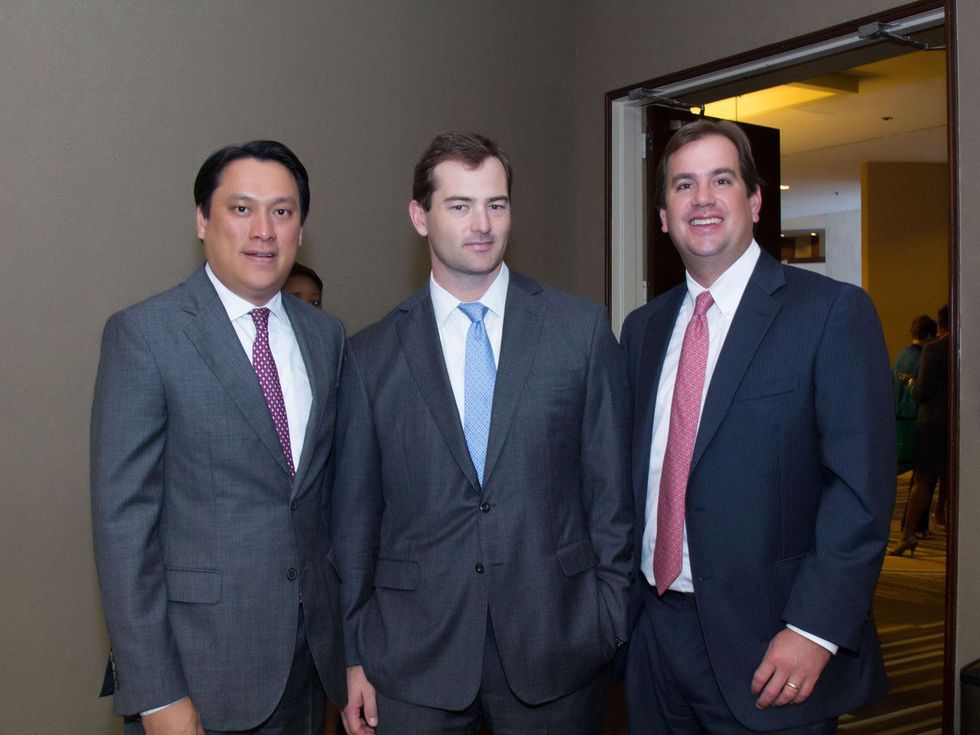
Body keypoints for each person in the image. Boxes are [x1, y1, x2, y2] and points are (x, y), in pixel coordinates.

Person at [333, 132, 632, 735]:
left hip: (559, 646)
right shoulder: (369, 356)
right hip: (413, 659)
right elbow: (355, 520)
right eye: (460, 205)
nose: (482, 224)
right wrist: (354, 653)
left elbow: (611, 493)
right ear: (420, 216)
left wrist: (609, 615)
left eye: (496, 204)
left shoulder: (580, 332)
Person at [620, 120, 894, 733]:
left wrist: (814, 629)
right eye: (684, 185)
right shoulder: (641, 330)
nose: (703, 199)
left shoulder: (831, 314)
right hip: (655, 639)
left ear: (755, 200)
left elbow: (862, 493)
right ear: (664, 215)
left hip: (770, 646)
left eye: (722, 179)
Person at [91, 140, 347, 734]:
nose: (263, 230)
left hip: (310, 671)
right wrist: (155, 696)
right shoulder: (145, 335)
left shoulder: (326, 337)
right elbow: (122, 529)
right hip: (198, 676)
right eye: (241, 209)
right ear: (202, 220)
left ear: (300, 230)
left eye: (282, 212)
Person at [891, 304, 950, 556]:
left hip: (927, 424)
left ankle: (908, 534)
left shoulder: (931, 350)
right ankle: (940, 519)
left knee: (922, 481)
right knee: (944, 481)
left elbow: (921, 393)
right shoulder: (959, 348)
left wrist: (911, 382)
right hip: (951, 425)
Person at [894, 314, 937, 473]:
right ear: (928, 335)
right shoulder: (923, 358)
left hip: (898, 417)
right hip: (915, 419)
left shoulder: (900, 356)